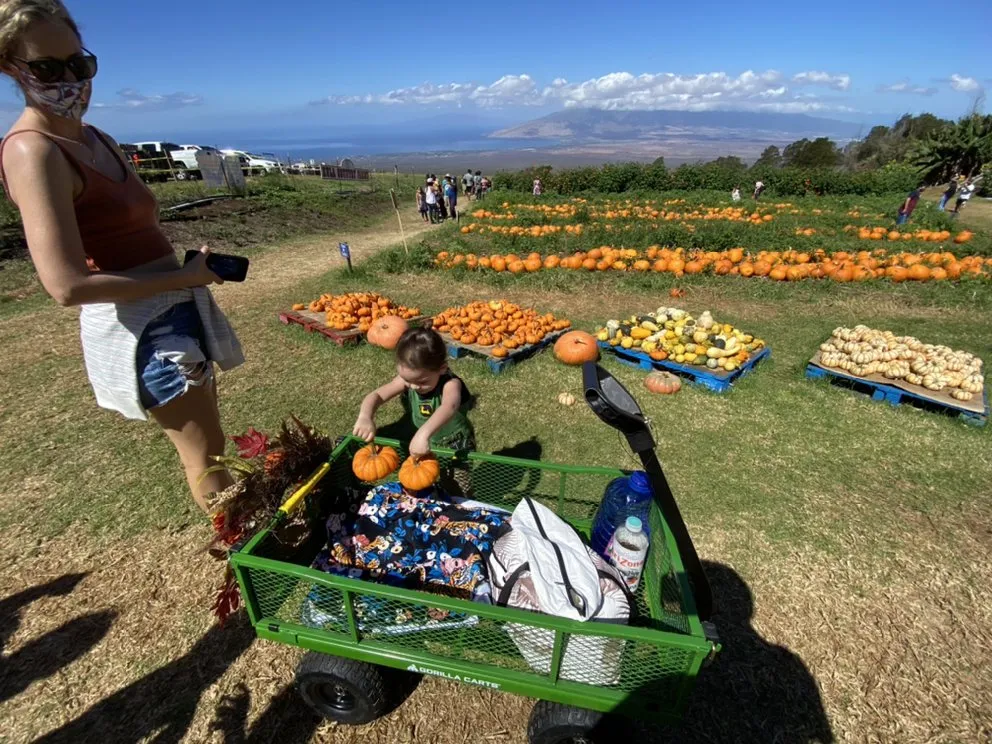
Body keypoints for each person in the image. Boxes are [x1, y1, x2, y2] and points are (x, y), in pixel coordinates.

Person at [0, 0, 243, 512]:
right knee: (205, 457)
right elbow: (66, 286)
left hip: (173, 307)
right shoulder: (33, 151)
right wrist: (178, 278)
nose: (70, 80)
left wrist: (184, 275)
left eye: (79, 64)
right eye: (47, 68)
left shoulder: (96, 139)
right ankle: (241, 551)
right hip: (144, 326)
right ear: (10, 68)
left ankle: (240, 539)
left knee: (213, 445)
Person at [353, 327, 475, 460]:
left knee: (455, 479)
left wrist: (423, 434)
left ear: (442, 369)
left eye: (422, 381)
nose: (414, 386)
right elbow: (377, 395)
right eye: (407, 379)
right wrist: (365, 416)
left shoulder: (451, 385)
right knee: (425, 476)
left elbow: (448, 407)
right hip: (425, 440)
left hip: (454, 444)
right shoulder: (410, 381)